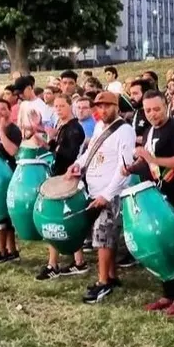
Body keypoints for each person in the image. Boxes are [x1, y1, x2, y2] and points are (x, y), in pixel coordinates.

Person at [124, 90, 174, 315]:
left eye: (157, 109)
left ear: (166, 107)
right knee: (159, 245)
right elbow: (146, 162)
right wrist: (132, 167)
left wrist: (154, 159)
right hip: (153, 197)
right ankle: (167, 293)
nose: (153, 114)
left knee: (173, 244)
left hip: (173, 196)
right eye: (148, 110)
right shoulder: (149, 130)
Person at [67, 91, 137, 304]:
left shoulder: (125, 130)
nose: (102, 110)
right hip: (95, 189)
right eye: (99, 106)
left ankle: (102, 282)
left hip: (111, 193)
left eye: (107, 106)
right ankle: (112, 276)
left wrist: (107, 194)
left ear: (115, 106)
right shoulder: (99, 126)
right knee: (106, 237)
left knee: (102, 237)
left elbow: (124, 167)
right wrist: (78, 164)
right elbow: (91, 152)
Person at [0, 99, 22, 264]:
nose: (0, 112)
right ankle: (7, 250)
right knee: (1, 216)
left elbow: (13, 151)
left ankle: (5, 250)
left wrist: (0, 130)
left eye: (3, 109)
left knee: (2, 216)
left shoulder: (13, 130)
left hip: (10, 174)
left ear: (9, 111)